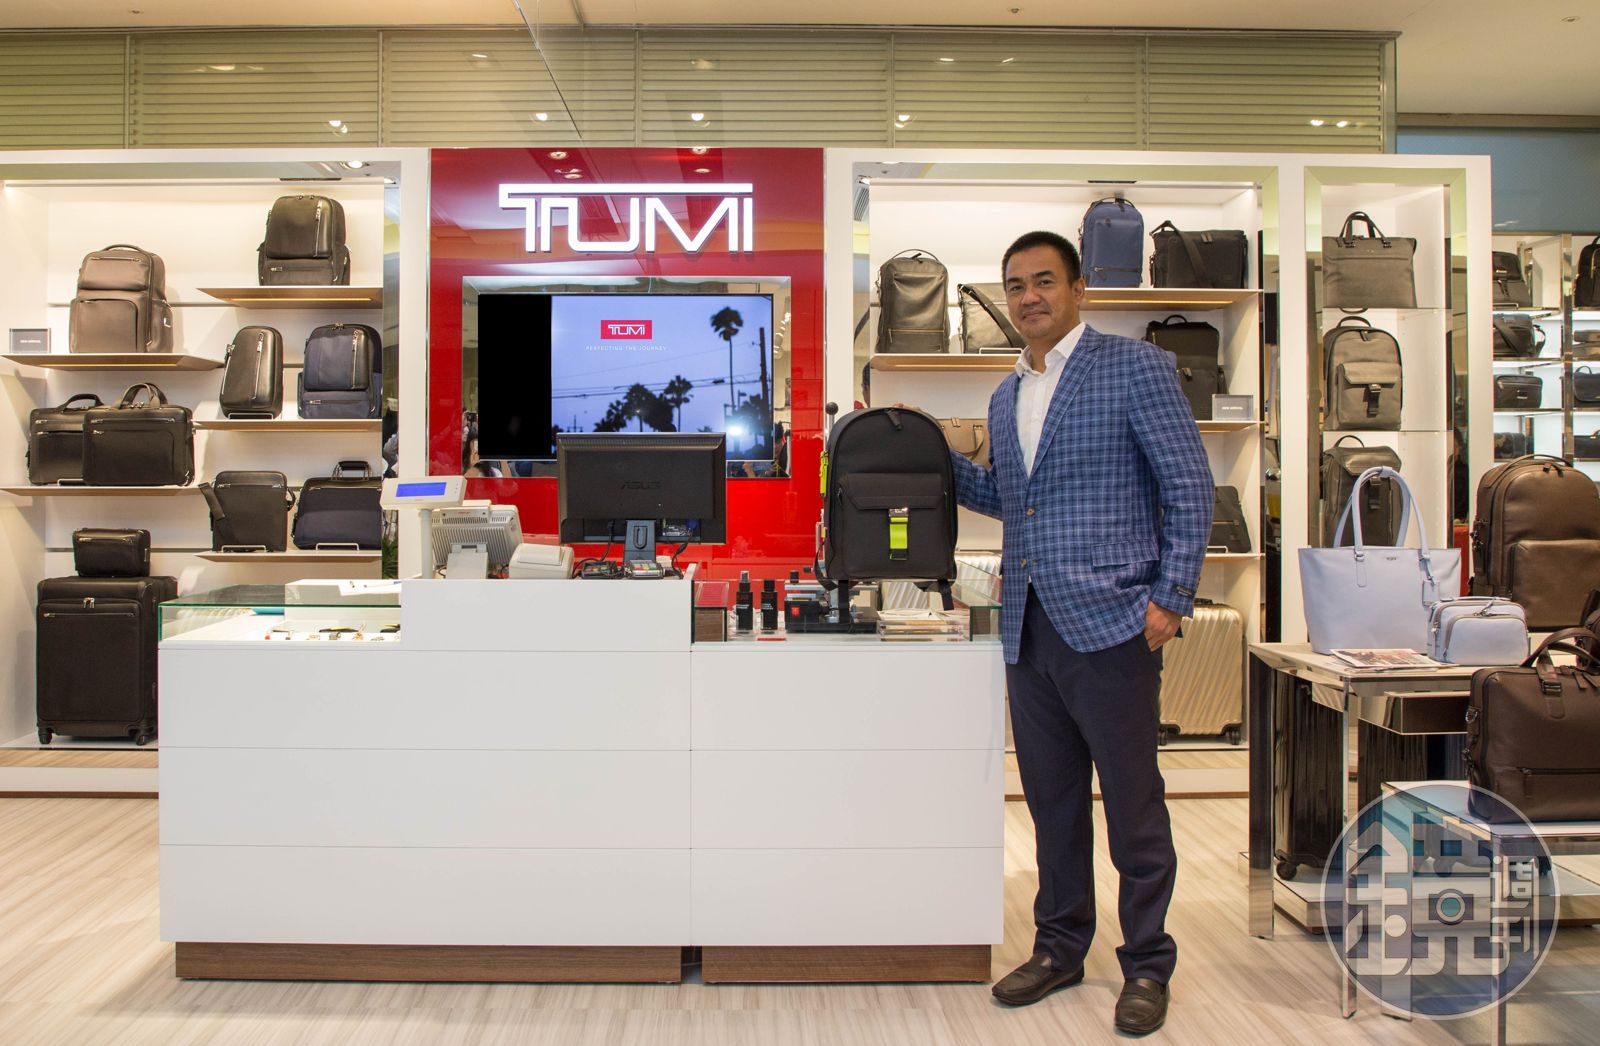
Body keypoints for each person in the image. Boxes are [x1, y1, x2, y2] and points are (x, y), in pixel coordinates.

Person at [948, 230, 1212, 1036]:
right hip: (1028, 628)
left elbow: (1189, 485)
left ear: (1078, 288)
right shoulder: (1007, 394)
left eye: (1043, 281)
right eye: (1015, 285)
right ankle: (1061, 949)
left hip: (1115, 621)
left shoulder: (1135, 367)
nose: (1028, 297)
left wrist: (1171, 597)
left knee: (1134, 806)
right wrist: (924, 449)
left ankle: (1147, 963)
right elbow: (1011, 501)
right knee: (1053, 805)